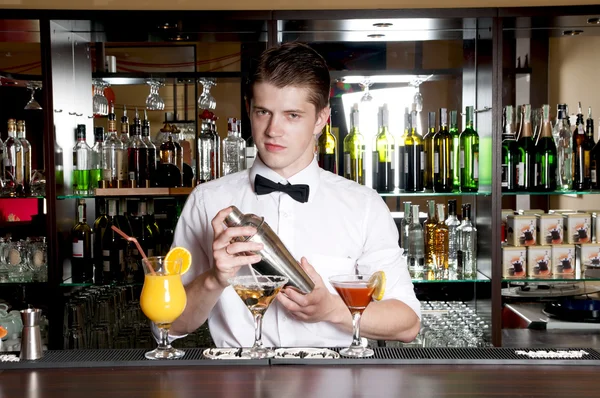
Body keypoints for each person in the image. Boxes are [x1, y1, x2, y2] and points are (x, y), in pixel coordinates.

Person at [169, 42, 420, 348]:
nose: (273, 130)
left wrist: (333, 309)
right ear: (249, 109)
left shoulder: (363, 205)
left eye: (292, 115)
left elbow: (407, 323)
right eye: (263, 112)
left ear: (320, 119)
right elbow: (169, 326)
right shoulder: (207, 201)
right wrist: (214, 279)